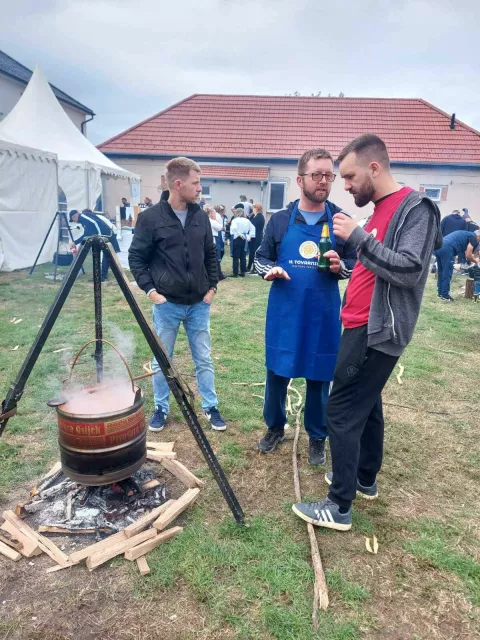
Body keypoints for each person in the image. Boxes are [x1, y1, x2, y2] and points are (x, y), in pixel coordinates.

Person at [292, 134, 442, 531]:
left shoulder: (416, 209)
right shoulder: (378, 210)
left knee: (340, 410)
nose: (345, 186)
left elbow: (410, 269)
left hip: (376, 331)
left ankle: (339, 505)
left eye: (349, 176)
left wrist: (357, 238)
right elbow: (375, 266)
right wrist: (345, 265)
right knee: (367, 403)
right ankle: (363, 478)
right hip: (358, 322)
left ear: (374, 168)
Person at [254, 148, 356, 465]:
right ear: (300, 180)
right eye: (317, 175)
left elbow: (357, 263)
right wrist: (269, 271)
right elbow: (261, 257)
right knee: (277, 373)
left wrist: (342, 266)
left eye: (329, 175)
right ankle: (274, 427)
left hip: (323, 313)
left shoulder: (341, 221)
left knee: (319, 375)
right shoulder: (281, 221)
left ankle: (317, 436)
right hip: (286, 312)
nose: (324, 181)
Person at [128, 157, 226, 432]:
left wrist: (212, 287)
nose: (200, 189)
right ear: (178, 184)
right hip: (167, 304)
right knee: (163, 359)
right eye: (196, 183)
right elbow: (136, 258)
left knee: (203, 358)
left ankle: (210, 406)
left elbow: (210, 254)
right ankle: (161, 407)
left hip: (198, 304)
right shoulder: (150, 218)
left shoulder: (200, 217)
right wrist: (150, 291)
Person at [69, 208, 120, 281]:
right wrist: (76, 242)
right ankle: (102, 276)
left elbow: (94, 223)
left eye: (73, 220)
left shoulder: (83, 217)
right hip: (106, 235)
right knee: (107, 256)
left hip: (106, 236)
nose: (75, 222)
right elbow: (87, 233)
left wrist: (99, 236)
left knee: (106, 256)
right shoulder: (84, 220)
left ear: (74, 217)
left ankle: (102, 276)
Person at [434, 229, 480, 300]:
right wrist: (475, 261)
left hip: (439, 246)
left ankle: (440, 293)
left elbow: (467, 252)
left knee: (441, 271)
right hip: (447, 249)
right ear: (479, 236)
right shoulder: (473, 237)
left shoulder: (467, 234)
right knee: (447, 272)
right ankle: (445, 295)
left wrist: (471, 259)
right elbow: (468, 255)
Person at [230, 208, 254, 277]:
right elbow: (252, 228)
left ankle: (235, 272)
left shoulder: (235, 220)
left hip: (237, 238)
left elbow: (233, 228)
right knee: (243, 256)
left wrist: (238, 233)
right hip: (244, 238)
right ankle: (243, 271)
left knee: (236, 256)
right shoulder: (247, 220)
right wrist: (249, 236)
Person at [206, 205, 226, 281]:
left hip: (207, 239)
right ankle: (217, 275)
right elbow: (221, 227)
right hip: (214, 239)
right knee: (215, 258)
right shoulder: (212, 221)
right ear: (210, 213)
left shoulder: (204, 220)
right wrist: (215, 220)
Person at [247, 203, 265, 272]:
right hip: (256, 237)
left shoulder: (258, 217)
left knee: (253, 253)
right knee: (252, 252)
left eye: (253, 208)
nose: (253, 210)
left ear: (257, 209)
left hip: (256, 238)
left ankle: (254, 268)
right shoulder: (257, 217)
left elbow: (253, 226)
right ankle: (249, 267)